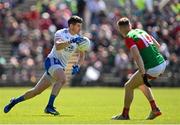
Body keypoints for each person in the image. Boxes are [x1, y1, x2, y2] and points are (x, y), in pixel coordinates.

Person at [4, 16, 87, 116]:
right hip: (52, 61)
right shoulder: (61, 33)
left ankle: (14, 101)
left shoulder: (79, 38)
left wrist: (77, 65)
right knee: (62, 79)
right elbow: (58, 46)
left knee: (35, 92)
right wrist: (71, 41)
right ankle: (49, 106)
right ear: (71, 25)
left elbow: (82, 55)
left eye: (80, 26)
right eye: (78, 26)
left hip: (60, 67)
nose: (80, 28)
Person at [112, 17, 166, 120]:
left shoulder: (129, 37)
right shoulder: (140, 31)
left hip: (153, 67)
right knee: (140, 84)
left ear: (121, 29)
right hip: (162, 63)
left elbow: (137, 56)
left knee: (128, 86)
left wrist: (143, 73)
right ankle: (154, 109)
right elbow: (158, 46)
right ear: (130, 25)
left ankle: (125, 114)